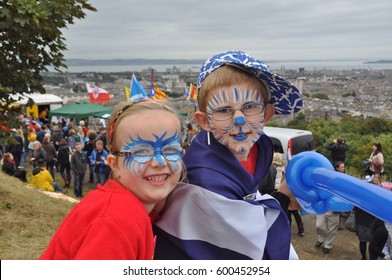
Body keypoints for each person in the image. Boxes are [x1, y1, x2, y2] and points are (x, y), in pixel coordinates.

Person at [154, 50, 303, 260]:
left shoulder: (255, 148)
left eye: (250, 107)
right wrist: (283, 196)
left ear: (267, 114)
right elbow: (252, 248)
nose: (239, 120)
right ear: (204, 121)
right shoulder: (204, 181)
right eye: (224, 110)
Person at [39, 100, 184, 260]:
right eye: (141, 152)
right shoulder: (118, 220)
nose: (159, 161)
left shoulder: (127, 207)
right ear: (115, 165)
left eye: (171, 150)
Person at [314, 161, 346, 253]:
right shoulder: (328, 178)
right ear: (337, 168)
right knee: (319, 225)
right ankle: (321, 239)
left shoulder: (344, 180)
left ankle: (328, 245)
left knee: (332, 229)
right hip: (323, 207)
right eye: (342, 167)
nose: (343, 169)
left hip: (334, 208)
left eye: (344, 167)